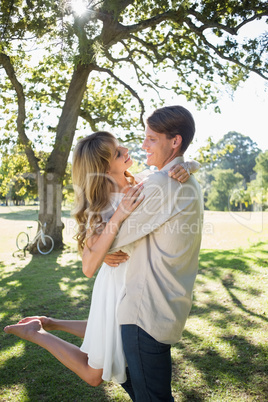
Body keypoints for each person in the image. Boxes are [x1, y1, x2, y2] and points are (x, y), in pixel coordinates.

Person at [4, 128, 199, 389]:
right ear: (104, 168)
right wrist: (117, 218)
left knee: (113, 333)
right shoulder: (101, 205)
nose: (127, 151)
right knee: (94, 372)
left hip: (138, 281)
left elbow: (166, 175)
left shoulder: (139, 182)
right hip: (116, 282)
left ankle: (51, 323)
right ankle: (37, 333)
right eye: (118, 153)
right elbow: (88, 266)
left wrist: (189, 165)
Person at [104, 105, 204, 401]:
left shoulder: (163, 184)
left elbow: (111, 241)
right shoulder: (186, 180)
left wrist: (94, 246)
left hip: (145, 313)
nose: (143, 145)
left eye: (151, 139)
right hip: (165, 308)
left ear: (175, 142)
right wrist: (191, 164)